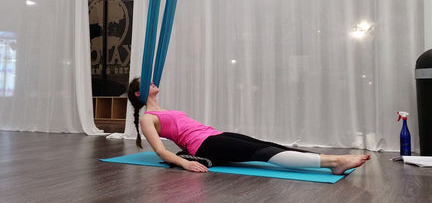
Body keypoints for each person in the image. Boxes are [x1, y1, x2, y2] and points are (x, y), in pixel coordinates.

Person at [127, 77, 371, 174]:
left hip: (214, 135)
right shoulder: (148, 118)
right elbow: (160, 150)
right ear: (138, 93)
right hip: (204, 145)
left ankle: (329, 161)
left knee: (269, 145)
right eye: (145, 81)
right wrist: (185, 163)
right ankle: (335, 162)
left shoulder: (164, 109)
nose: (152, 80)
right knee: (264, 154)